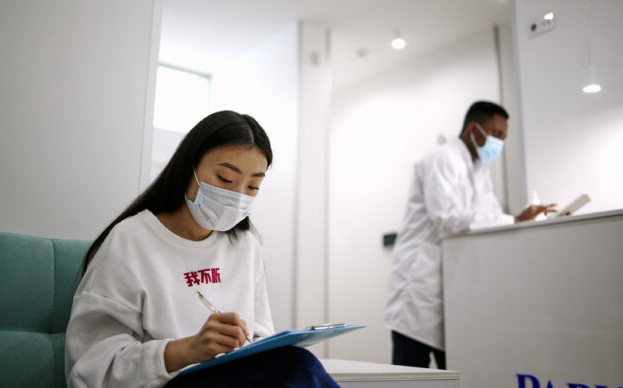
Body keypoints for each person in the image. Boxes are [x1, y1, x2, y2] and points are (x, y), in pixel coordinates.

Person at [65, 111, 338, 387]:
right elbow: (92, 367)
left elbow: (260, 339)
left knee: (296, 361)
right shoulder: (131, 240)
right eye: (225, 179)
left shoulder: (245, 246)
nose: (238, 196)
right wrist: (186, 350)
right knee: (298, 365)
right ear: (189, 168)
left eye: (253, 186)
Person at [384, 101, 556, 369]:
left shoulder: (480, 172)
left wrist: (517, 222)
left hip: (456, 290)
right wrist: (513, 219)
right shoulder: (441, 158)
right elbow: (448, 219)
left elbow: (489, 219)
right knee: (411, 376)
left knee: (454, 373)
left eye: (503, 138)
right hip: (420, 287)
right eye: (496, 134)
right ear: (474, 129)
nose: (499, 143)